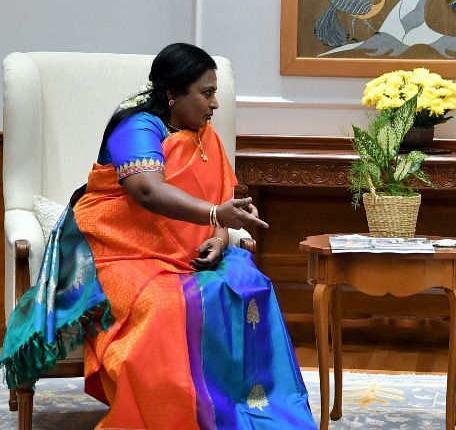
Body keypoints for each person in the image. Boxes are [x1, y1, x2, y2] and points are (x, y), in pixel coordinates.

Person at [1, 43, 318, 429]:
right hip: (116, 250)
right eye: (206, 93)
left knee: (251, 283)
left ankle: (232, 409)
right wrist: (217, 214)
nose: (215, 103)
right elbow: (147, 190)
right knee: (164, 307)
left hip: (186, 252)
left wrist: (218, 238)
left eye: (215, 91)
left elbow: (216, 196)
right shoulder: (135, 127)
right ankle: (167, 416)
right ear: (172, 95)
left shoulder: (203, 134)